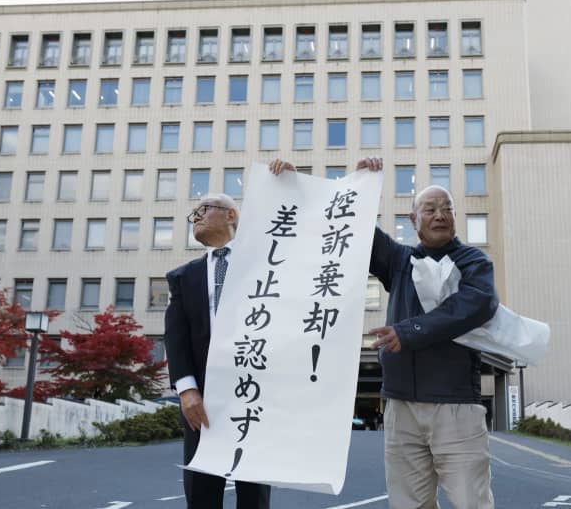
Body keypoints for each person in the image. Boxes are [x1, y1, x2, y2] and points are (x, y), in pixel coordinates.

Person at [270, 157, 497, 509]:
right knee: (408, 504)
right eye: (430, 209)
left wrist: (409, 331)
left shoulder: (473, 261)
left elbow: (476, 304)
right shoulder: (399, 260)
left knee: (472, 502)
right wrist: (298, 185)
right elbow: (353, 225)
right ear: (413, 220)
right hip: (401, 406)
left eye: (447, 209)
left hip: (456, 406)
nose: (440, 215)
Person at [164, 193, 271, 509]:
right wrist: (186, 391)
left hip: (253, 395)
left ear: (231, 215)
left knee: (254, 495)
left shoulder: (266, 264)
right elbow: (176, 337)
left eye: (203, 209)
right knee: (202, 494)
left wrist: (288, 183)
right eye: (192, 214)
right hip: (202, 401)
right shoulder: (183, 278)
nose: (195, 216)